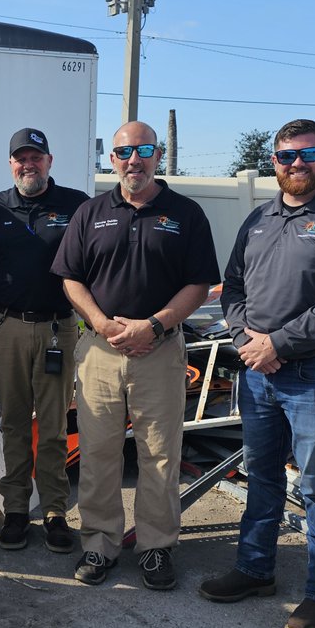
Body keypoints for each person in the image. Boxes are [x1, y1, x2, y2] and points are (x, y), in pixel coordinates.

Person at [200, 118, 315, 628]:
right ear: (273, 161)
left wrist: (277, 344)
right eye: (286, 156)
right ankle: (255, 569)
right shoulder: (259, 218)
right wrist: (246, 340)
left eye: (307, 154)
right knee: (261, 474)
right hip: (258, 373)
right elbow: (232, 286)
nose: (296, 164)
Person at [52, 121, 218, 589]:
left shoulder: (186, 213)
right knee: (98, 453)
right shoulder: (90, 212)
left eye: (144, 150)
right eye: (124, 152)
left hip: (159, 350)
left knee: (160, 455)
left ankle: (155, 547)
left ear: (158, 155)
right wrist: (101, 322)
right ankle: (100, 544)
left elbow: (199, 284)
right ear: (112, 159)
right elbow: (70, 278)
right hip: (100, 351)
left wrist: (154, 325)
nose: (134, 160)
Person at [0, 128, 90, 553]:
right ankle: (16, 509)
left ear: (49, 161)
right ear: (11, 164)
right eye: (21, 158)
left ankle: (56, 512)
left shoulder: (76, 204)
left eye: (36, 157)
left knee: (54, 425)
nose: (29, 164)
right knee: (13, 422)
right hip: (7, 326)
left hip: (58, 328)